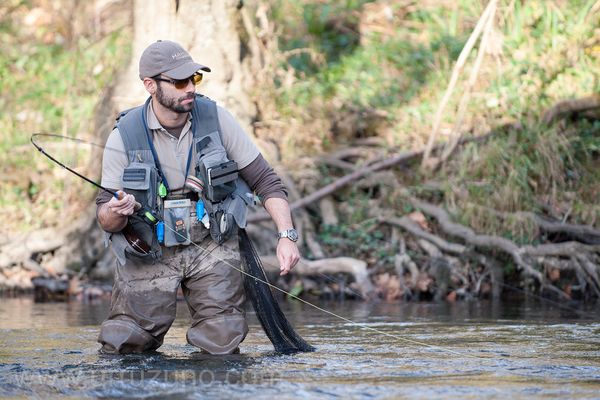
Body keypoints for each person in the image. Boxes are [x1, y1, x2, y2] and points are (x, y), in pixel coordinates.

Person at [95, 40, 300, 355]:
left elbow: (265, 180)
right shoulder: (124, 135)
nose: (190, 87)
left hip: (212, 243)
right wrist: (117, 211)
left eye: (194, 79)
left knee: (223, 341)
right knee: (127, 344)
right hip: (149, 245)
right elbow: (105, 219)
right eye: (179, 82)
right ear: (150, 85)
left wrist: (287, 235)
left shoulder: (216, 119)